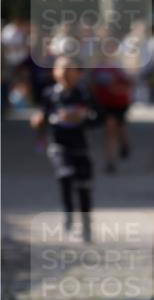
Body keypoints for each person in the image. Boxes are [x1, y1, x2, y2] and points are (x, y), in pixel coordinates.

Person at [31, 56, 96, 240]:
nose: (65, 73)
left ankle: (86, 226)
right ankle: (68, 214)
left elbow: (99, 117)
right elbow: (41, 113)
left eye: (70, 68)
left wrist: (82, 117)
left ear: (78, 72)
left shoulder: (84, 94)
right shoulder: (50, 94)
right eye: (61, 68)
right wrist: (38, 120)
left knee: (84, 187)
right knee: (65, 175)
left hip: (81, 146)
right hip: (59, 145)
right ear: (54, 72)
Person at [90, 65, 133, 172]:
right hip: (104, 104)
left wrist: (119, 90)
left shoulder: (119, 68)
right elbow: (92, 85)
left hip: (119, 104)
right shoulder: (96, 69)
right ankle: (110, 161)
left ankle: (124, 144)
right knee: (110, 131)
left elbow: (129, 83)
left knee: (120, 126)